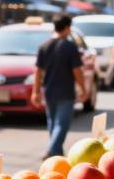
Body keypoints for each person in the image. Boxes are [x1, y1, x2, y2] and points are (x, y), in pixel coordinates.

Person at [31, 16, 88, 158]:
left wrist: (36, 91)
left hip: (49, 91)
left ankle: (57, 153)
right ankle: (52, 150)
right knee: (62, 124)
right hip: (65, 91)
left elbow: (38, 71)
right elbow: (77, 71)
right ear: (67, 28)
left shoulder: (44, 45)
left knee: (53, 123)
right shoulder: (70, 46)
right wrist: (83, 88)